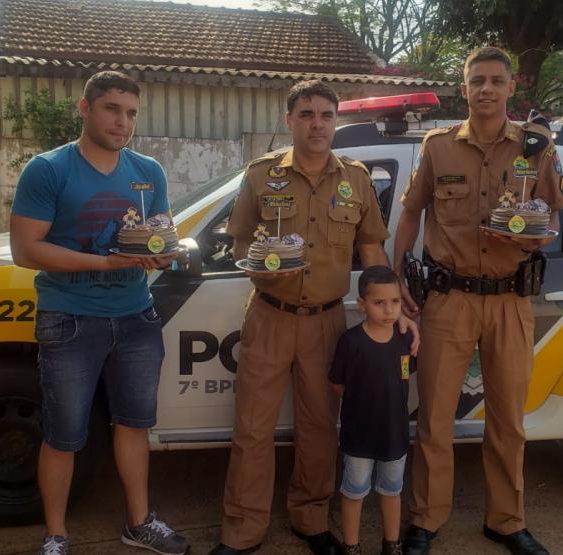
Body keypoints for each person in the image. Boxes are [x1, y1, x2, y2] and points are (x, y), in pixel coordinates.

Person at [210, 80, 418, 555]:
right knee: (253, 428)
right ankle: (243, 529)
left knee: (320, 427)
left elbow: (371, 250)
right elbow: (241, 240)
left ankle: (309, 518)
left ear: (335, 120)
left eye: (326, 114)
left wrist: (394, 310)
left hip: (327, 323)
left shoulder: (357, 178)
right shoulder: (261, 175)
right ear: (290, 120)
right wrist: (265, 260)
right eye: (306, 114)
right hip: (269, 316)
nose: (317, 123)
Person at [392, 47, 563, 555]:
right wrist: (399, 273)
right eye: (478, 81)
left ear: (512, 87)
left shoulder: (537, 147)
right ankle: (426, 519)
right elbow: (410, 213)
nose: (486, 89)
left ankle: (507, 520)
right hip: (448, 300)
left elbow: (555, 219)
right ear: (465, 87)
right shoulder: (438, 146)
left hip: (511, 300)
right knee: (434, 418)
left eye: (496, 80)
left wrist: (536, 237)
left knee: (508, 419)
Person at [10, 70, 189, 555]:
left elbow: (160, 235)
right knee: (64, 434)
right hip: (69, 318)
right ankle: (56, 536)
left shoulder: (148, 171)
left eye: (131, 113)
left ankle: (139, 523)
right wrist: (106, 262)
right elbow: (26, 250)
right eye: (112, 109)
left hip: (136, 316)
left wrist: (161, 253)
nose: (123, 121)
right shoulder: (48, 170)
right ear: (85, 109)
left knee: (134, 425)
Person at [328, 266, 413, 555]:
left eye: (395, 302)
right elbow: (338, 385)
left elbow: (404, 376)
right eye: (379, 303)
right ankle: (351, 545)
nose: (389, 310)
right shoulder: (351, 342)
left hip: (394, 435)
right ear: (362, 304)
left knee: (392, 491)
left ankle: (392, 544)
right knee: (354, 492)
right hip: (359, 437)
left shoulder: (404, 339)